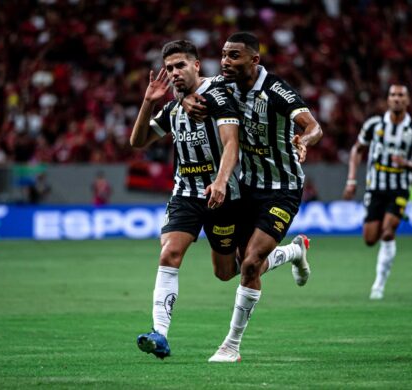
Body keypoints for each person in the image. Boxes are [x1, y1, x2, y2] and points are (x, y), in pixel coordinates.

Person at [183, 32, 323, 362]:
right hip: (245, 188)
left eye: (234, 56)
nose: (226, 62)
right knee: (227, 271)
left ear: (253, 61)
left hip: (282, 189)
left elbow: (313, 125)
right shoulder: (222, 85)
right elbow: (192, 87)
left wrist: (305, 140)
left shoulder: (276, 91)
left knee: (249, 265)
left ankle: (231, 345)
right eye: (224, 55)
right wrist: (186, 99)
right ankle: (292, 252)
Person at [130, 40, 242, 360]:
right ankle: (159, 334)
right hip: (185, 194)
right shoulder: (172, 108)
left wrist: (191, 95)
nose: (175, 72)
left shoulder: (219, 87)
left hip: (223, 195)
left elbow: (224, 95)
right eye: (169, 68)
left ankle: (285, 253)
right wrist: (149, 102)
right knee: (170, 253)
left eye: (181, 65)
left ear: (197, 64)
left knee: (227, 271)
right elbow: (137, 141)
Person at [343, 84, 412, 300]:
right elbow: (357, 150)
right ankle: (387, 233)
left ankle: (378, 285)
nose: (397, 99)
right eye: (393, 95)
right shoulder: (374, 125)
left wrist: (405, 163)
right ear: (388, 99)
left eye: (401, 95)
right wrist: (351, 180)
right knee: (370, 239)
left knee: (388, 232)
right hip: (375, 188)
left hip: (399, 188)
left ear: (407, 101)